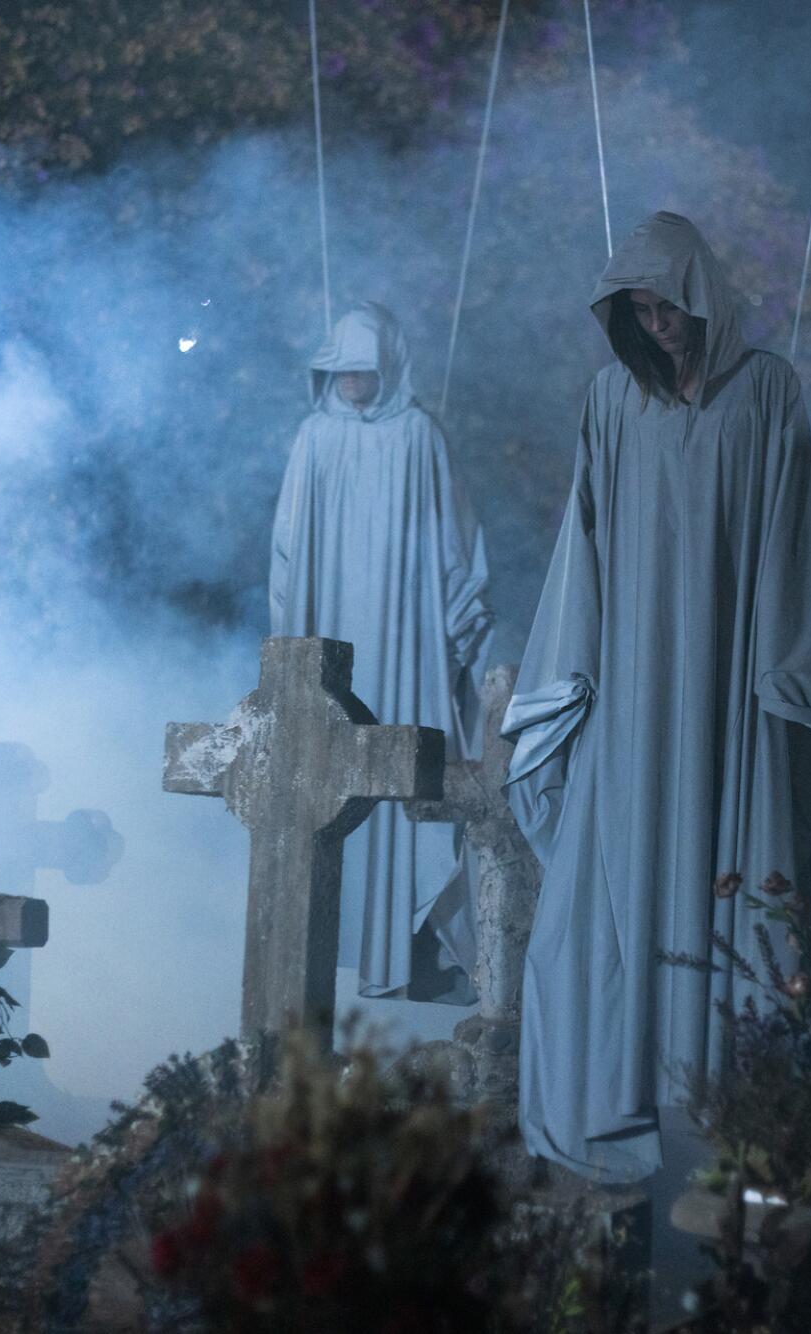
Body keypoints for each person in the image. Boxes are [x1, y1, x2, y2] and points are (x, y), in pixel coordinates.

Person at [503, 212, 811, 1182]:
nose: (660, 323)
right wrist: (568, 680)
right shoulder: (607, 403)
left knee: (733, 888)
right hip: (631, 697)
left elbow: (794, 540)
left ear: (702, 296)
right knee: (588, 913)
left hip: (730, 694)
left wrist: (810, 679)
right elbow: (581, 547)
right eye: (640, 308)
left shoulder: (765, 392)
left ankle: (725, 1114)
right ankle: (617, 1103)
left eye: (669, 304)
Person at [270, 302, 493, 1003]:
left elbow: (453, 543)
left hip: (406, 643)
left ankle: (408, 950)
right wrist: (286, 640)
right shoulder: (313, 439)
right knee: (329, 776)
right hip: (331, 633)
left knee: (403, 776)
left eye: (366, 370)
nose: (356, 384)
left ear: (389, 366)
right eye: (344, 370)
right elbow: (287, 550)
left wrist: (460, 617)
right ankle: (321, 954)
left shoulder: (419, 436)